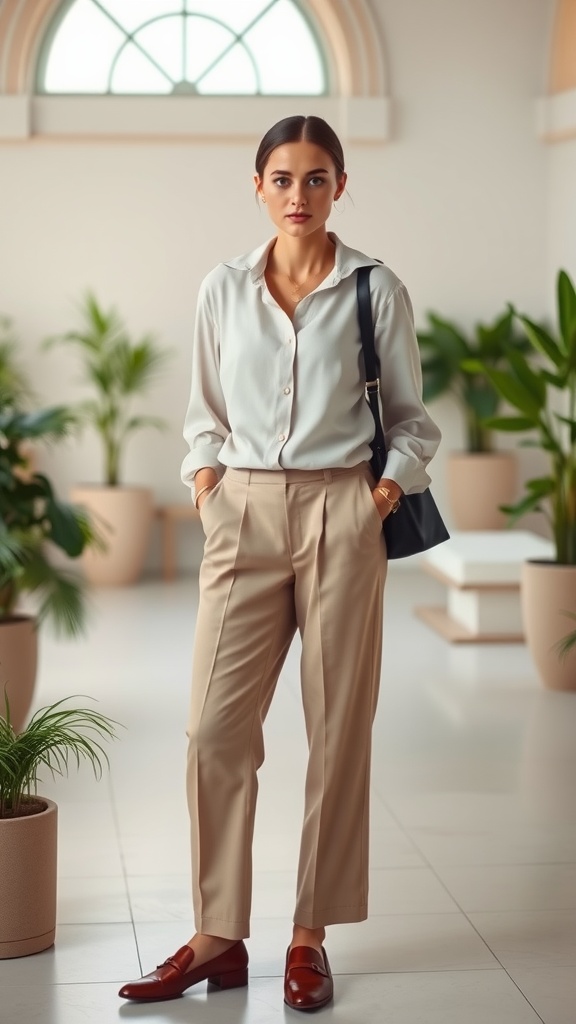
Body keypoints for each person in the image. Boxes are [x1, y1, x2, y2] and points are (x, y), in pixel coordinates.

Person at [119, 114, 441, 1011]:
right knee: (213, 730)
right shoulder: (222, 289)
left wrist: (379, 496)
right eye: (282, 178)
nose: (298, 195)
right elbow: (202, 409)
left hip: (346, 509)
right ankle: (218, 934)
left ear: (341, 186)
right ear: (256, 185)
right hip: (244, 511)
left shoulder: (377, 290)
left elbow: (414, 421)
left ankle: (310, 934)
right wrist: (205, 477)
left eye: (316, 178)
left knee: (339, 731)